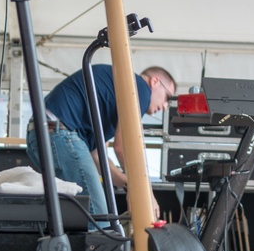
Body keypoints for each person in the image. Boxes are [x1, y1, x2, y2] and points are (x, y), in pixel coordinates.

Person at [26, 64, 176, 217]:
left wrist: (127, 185)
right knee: (98, 215)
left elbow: (97, 155)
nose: (165, 106)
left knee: (79, 216)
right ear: (155, 82)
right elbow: (123, 147)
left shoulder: (113, 92)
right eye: (168, 97)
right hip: (59, 134)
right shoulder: (140, 88)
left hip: (40, 135)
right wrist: (145, 192)